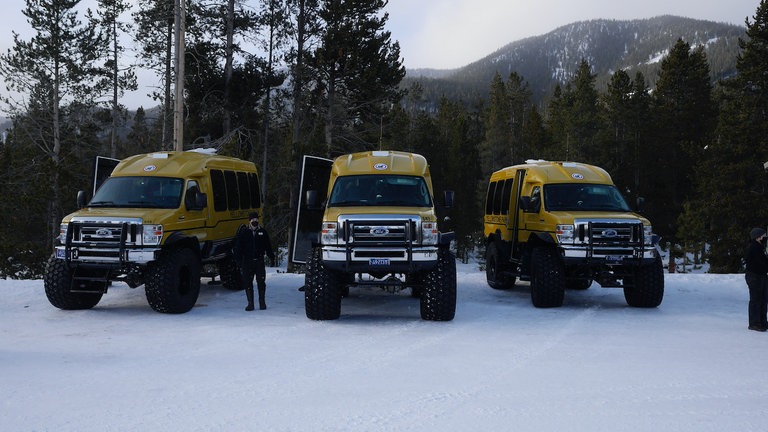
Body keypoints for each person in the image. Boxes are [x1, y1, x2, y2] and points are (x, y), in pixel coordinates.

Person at [232, 212, 275, 311]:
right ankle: (250, 303)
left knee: (261, 282)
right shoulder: (244, 232)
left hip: (259, 261)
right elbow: (238, 248)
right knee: (248, 282)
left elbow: (268, 246)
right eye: (253, 220)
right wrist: (238, 261)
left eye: (256, 220)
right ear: (249, 221)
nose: (255, 221)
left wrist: (271, 257)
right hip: (247, 262)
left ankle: (262, 302)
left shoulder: (263, 232)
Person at [744, 227, 768, 332]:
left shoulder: (760, 247)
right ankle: (754, 323)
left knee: (763, 299)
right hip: (754, 276)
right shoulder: (753, 248)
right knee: (756, 300)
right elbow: (760, 263)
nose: (765, 238)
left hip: (762, 276)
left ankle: (762, 321)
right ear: (758, 237)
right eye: (764, 236)